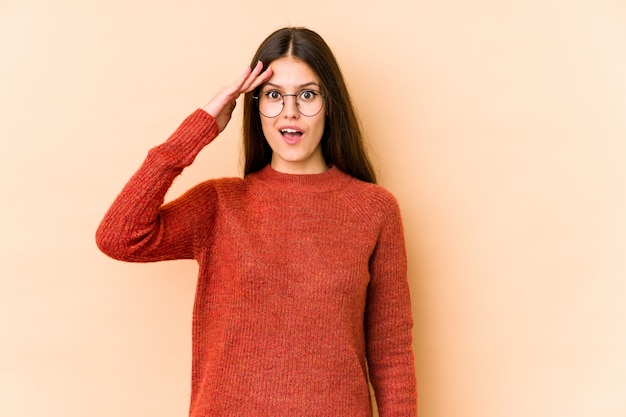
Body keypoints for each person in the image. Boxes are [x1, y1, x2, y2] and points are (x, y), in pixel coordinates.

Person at [96, 27, 417, 416]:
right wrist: (199, 128)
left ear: (330, 104)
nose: (291, 111)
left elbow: (391, 349)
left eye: (308, 94)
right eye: (274, 95)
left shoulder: (373, 208)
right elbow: (118, 236)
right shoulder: (221, 204)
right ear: (254, 105)